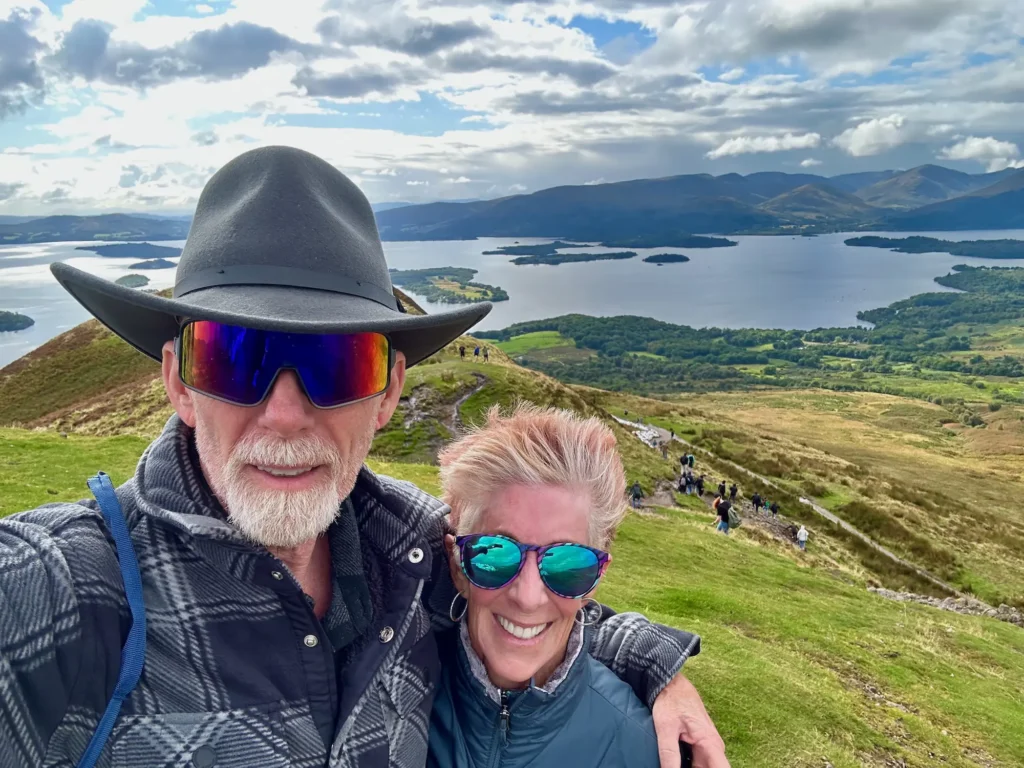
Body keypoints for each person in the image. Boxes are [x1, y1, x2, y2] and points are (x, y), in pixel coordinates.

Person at [0, 147, 727, 768]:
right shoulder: (63, 589)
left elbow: (528, 590)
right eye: (234, 357)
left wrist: (658, 668)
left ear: (387, 395)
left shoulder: (408, 549)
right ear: (177, 384)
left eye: (336, 364)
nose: (285, 415)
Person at [428, 405, 663, 767]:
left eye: (567, 564)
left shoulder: (640, 747)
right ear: (458, 565)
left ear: (595, 579)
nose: (528, 596)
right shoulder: (390, 700)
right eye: (497, 554)